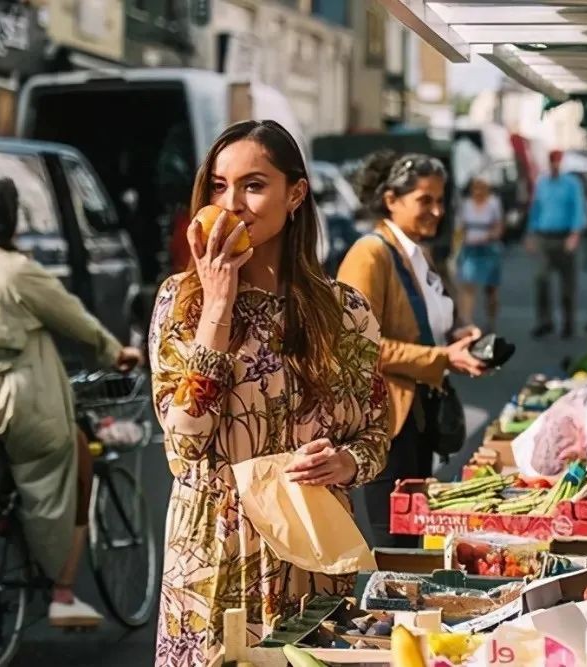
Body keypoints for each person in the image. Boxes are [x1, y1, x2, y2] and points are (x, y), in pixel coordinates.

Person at [148, 120, 389, 663]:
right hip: (215, 550)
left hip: (313, 550)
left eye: (253, 185)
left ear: (296, 193)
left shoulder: (346, 313)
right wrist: (217, 307)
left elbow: (375, 431)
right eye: (218, 186)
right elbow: (184, 441)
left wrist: (346, 463)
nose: (231, 203)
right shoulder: (181, 303)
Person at [0, 178, 141, 627]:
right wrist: (116, 351)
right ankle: (63, 592)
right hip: (19, 404)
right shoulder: (17, 271)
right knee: (79, 461)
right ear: (13, 221)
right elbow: (76, 320)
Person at [339, 152, 487, 548]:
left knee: (414, 539)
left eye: (441, 201)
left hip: (418, 417)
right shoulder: (369, 253)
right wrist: (443, 358)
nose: (437, 211)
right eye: (425, 200)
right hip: (387, 422)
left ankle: (407, 611)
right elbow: (357, 346)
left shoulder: (418, 253)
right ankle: (389, 612)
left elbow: (421, 325)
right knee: (395, 544)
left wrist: (456, 336)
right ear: (392, 200)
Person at [525, 149, 587, 339]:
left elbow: (578, 208)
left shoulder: (571, 184)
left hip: (564, 236)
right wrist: (530, 232)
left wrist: (575, 234)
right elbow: (536, 208)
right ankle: (545, 321)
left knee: (567, 283)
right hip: (545, 236)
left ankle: (568, 323)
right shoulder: (542, 183)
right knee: (541, 280)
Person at [455, 175, 504, 331]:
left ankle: (491, 321)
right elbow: (461, 227)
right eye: (475, 188)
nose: (478, 191)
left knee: (491, 288)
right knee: (468, 285)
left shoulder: (493, 204)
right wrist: (457, 245)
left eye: (481, 188)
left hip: (488, 248)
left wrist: (489, 236)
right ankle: (467, 322)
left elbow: (499, 227)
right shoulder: (466, 205)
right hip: (470, 248)